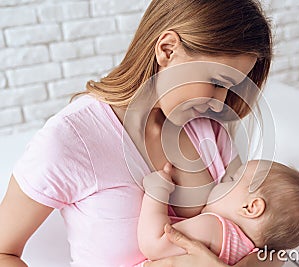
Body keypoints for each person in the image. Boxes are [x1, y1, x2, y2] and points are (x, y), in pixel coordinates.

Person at [0, 0, 280, 266]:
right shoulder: (71, 139)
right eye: (217, 83)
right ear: (167, 50)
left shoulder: (209, 130)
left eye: (230, 88)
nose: (220, 103)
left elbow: (266, 245)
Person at [136, 160, 299, 266]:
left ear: (250, 208)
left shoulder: (214, 227)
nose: (222, 180)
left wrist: (156, 192)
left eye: (232, 179)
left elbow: (154, 244)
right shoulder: (247, 253)